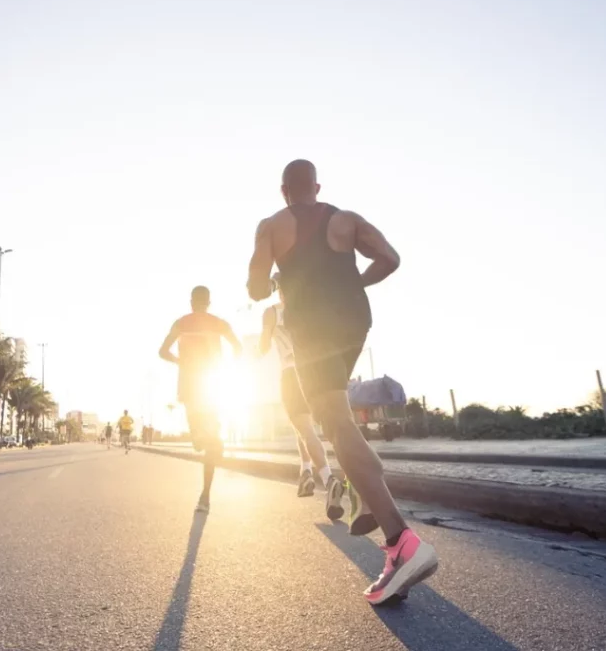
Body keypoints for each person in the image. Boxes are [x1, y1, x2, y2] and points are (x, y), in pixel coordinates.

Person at [246, 159, 438, 605]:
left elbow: (256, 289)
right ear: (316, 186)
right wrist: (353, 282)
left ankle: (401, 542)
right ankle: (370, 498)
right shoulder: (346, 219)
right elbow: (390, 259)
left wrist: (274, 276)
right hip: (354, 323)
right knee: (340, 419)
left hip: (313, 328)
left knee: (334, 422)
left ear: (283, 191)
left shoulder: (271, 225)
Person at [259, 273, 342, 512]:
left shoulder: (271, 312)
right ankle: (305, 472)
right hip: (315, 372)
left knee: (306, 430)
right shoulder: (309, 309)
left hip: (291, 374)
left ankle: (328, 479)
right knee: (303, 426)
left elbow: (264, 347)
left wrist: (264, 340)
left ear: (277, 287)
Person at [159, 285, 242, 513]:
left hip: (190, 385)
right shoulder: (220, 323)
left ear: (191, 302)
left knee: (202, 441)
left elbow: (162, 351)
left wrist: (179, 361)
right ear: (209, 302)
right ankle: (205, 496)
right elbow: (238, 347)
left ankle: (204, 494)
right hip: (213, 384)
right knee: (208, 444)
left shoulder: (181, 323)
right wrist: (229, 365)